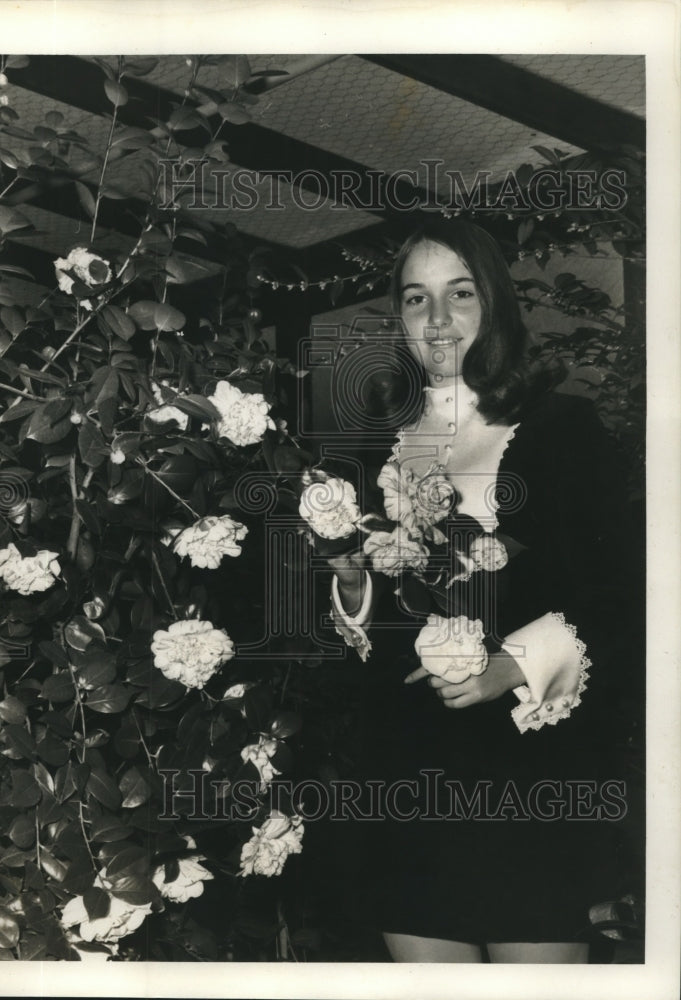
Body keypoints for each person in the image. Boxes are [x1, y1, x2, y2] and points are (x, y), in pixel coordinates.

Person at [328, 219, 640, 963]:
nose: (436, 321)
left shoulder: (564, 427)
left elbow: (622, 597)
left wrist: (509, 666)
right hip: (408, 766)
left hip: (529, 765)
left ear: (492, 303)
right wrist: (347, 587)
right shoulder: (370, 439)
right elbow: (356, 632)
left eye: (457, 294)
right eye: (414, 299)